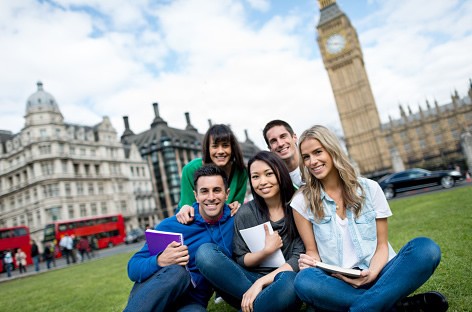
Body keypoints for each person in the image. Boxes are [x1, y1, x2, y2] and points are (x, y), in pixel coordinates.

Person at [290, 125, 448, 312]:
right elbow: (312, 252)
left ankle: (365, 306)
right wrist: (309, 263)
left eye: (318, 152)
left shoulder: (370, 188)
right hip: (339, 284)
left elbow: (382, 246)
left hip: (380, 274)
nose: (312, 161)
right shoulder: (301, 201)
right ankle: (398, 307)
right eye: (306, 157)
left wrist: (372, 273)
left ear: (332, 150)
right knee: (303, 280)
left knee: (425, 248)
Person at [196, 151, 304, 312]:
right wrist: (266, 251)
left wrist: (260, 284)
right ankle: (266, 304)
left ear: (280, 173)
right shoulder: (246, 213)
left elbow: (298, 260)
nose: (263, 182)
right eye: (255, 177)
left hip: (283, 281)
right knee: (205, 253)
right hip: (245, 283)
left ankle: (259, 305)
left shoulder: (298, 207)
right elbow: (241, 258)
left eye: (269, 174)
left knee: (290, 281)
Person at [124, 164, 234, 312]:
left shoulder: (235, 221)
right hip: (155, 296)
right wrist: (159, 260)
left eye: (216, 190)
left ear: (227, 194)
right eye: (204, 191)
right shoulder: (172, 225)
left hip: (191, 304)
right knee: (177, 272)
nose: (211, 197)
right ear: (196, 195)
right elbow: (133, 267)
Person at [176, 124, 248, 223]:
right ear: (208, 149)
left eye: (225, 145)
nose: (221, 151)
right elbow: (187, 206)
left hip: (225, 221)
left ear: (232, 148)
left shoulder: (241, 172)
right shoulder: (190, 169)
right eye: (215, 146)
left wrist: (236, 205)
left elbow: (237, 203)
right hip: (194, 220)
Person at [263, 120, 302, 188]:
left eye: (283, 136)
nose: (280, 144)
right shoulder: (275, 182)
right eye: (273, 141)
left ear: (294, 137)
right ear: (269, 148)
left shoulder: (315, 164)